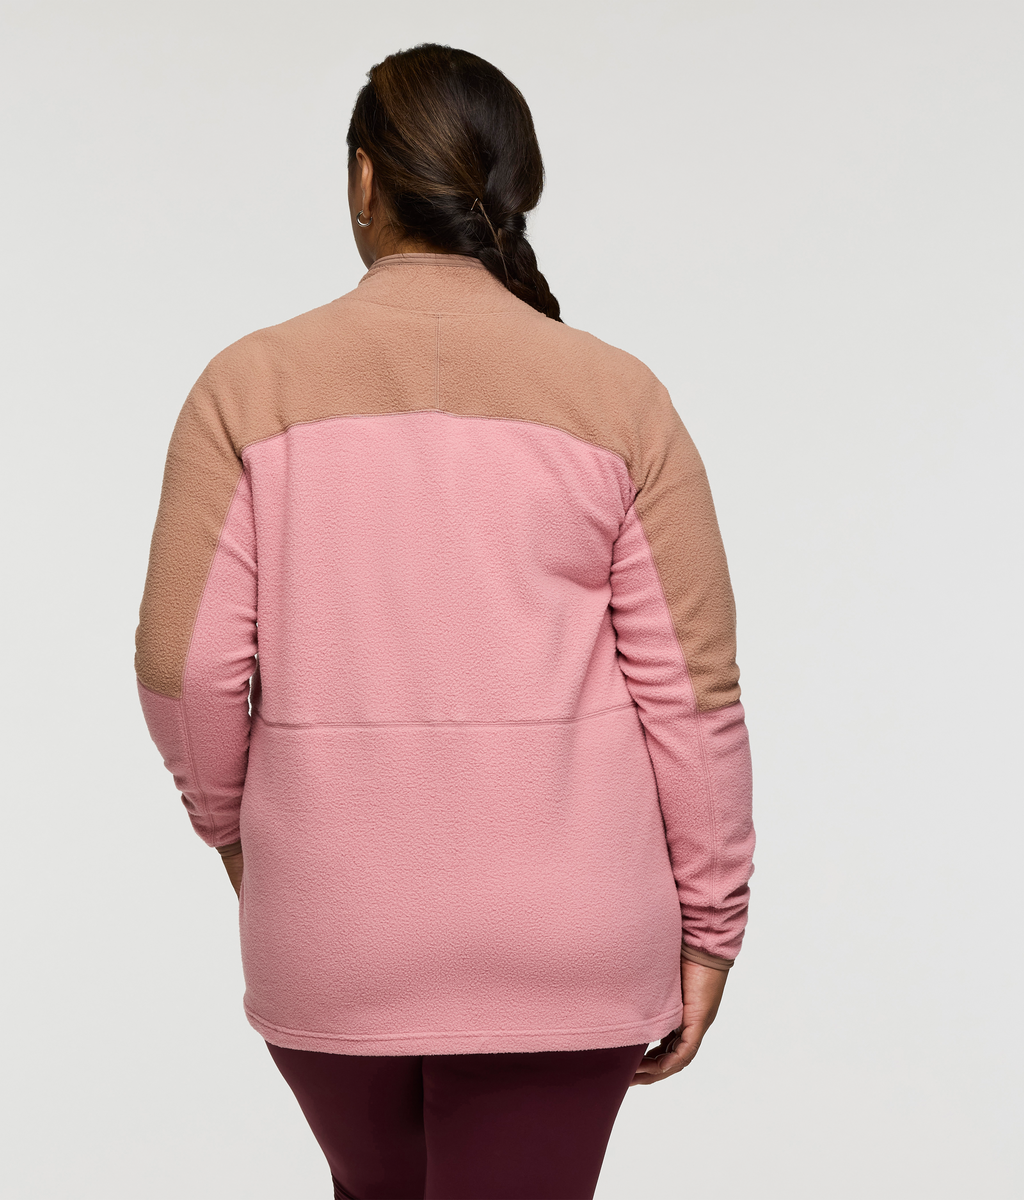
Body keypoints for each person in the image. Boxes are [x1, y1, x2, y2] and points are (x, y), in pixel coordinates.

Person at [135, 42, 755, 1200]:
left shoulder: (247, 386)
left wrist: (241, 841)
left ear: (365, 180)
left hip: (336, 931)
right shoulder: (620, 398)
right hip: (566, 936)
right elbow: (692, 691)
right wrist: (713, 922)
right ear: (514, 189)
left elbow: (186, 671)